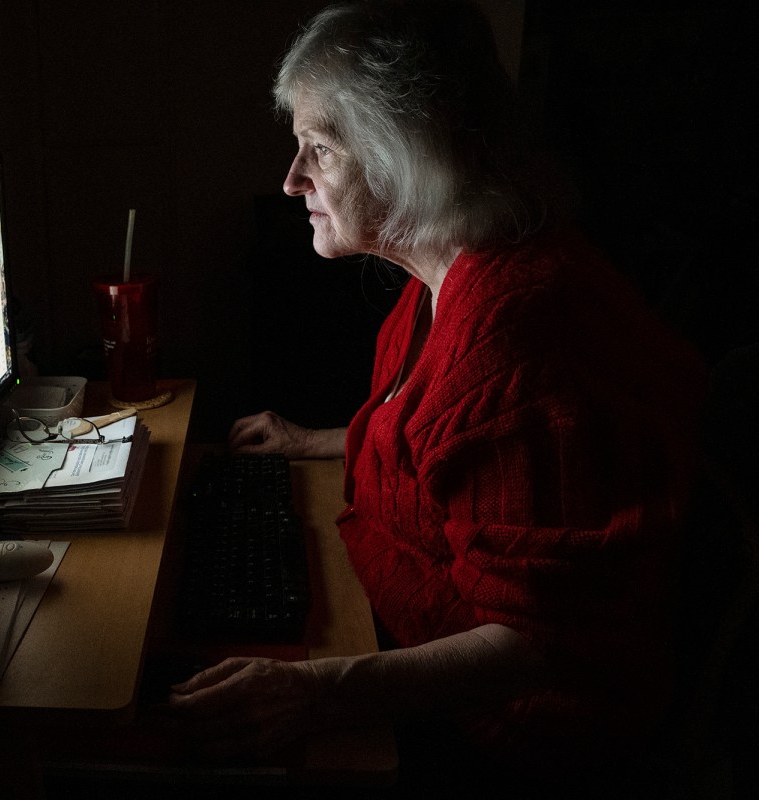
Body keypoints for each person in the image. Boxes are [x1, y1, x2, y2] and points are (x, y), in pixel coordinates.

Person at [164, 0, 706, 794]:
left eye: (319, 148)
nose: (291, 181)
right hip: (432, 658)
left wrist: (315, 693)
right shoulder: (456, 270)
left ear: (400, 154)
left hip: (515, 737)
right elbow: (441, 452)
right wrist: (316, 440)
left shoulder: (516, 340)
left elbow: (536, 643)